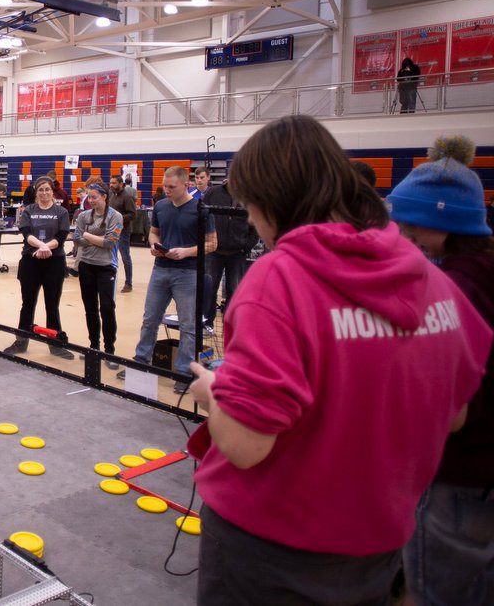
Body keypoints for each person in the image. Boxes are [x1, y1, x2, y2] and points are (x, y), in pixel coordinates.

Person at [186, 116, 489, 605]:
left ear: (274, 201)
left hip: (271, 543)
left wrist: (213, 393)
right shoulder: (429, 279)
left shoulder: (278, 280)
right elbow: (454, 414)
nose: (251, 221)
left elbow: (244, 446)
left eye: (251, 208)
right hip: (379, 539)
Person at [387, 134, 494, 606]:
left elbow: (450, 406)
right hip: (479, 470)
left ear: (442, 222)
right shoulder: (477, 275)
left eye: (412, 224)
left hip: (460, 469)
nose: (404, 234)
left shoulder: (453, 291)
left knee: (433, 590)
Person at [124, 166, 216, 391]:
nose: (166, 190)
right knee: (150, 319)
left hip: (188, 272)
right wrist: (154, 245)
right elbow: (154, 232)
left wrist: (186, 252)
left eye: (171, 187)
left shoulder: (201, 209)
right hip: (161, 269)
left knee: (188, 325)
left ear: (187, 185)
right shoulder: (162, 206)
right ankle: (142, 361)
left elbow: (212, 243)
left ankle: (184, 373)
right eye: (165, 186)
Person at [3, 177, 73, 359]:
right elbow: (26, 234)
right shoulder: (29, 211)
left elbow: (62, 236)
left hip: (54, 262)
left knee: (52, 305)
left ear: (52, 191)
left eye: (47, 189)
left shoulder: (62, 212)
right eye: (41, 190)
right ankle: (21, 341)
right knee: (27, 304)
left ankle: (55, 344)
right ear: (36, 192)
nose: (44, 193)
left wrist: (46, 247)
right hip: (30, 261)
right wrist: (41, 246)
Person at [73, 182, 123, 365]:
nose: (91, 200)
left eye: (94, 197)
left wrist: (87, 235)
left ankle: (109, 350)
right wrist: (96, 239)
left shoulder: (115, 216)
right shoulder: (83, 215)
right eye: (89, 197)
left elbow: (110, 242)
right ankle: (94, 346)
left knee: (107, 308)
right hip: (87, 265)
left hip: (106, 266)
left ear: (104, 196)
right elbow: (76, 239)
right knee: (90, 309)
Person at [202, 177, 257, 314]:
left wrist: (247, 245)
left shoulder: (249, 196)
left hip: (237, 252)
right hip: (214, 252)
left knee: (234, 289)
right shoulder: (212, 193)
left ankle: (232, 322)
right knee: (210, 288)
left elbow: (255, 224)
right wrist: (207, 242)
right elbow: (201, 216)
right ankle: (207, 322)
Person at [108, 175, 137, 293]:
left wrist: (118, 218)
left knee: (125, 257)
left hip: (123, 231)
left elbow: (132, 214)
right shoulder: (111, 195)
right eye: (110, 183)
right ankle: (109, 279)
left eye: (114, 183)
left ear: (121, 184)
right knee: (109, 256)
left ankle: (128, 283)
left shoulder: (127, 197)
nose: (111, 185)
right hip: (111, 230)